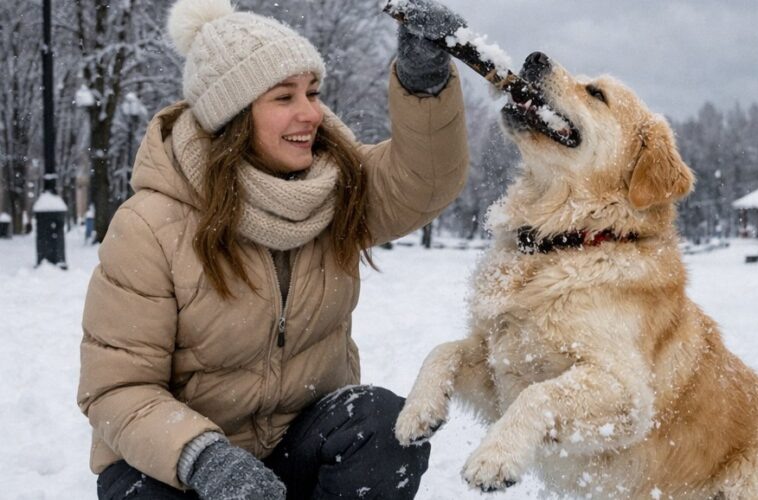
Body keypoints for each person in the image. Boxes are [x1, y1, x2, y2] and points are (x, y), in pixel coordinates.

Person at [76, 0, 469, 498]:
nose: (312, 112)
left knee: (382, 423)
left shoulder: (334, 191)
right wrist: (205, 459)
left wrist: (424, 82)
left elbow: (425, 180)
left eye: (312, 92)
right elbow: (116, 389)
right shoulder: (150, 225)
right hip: (178, 466)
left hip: (296, 444)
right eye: (284, 97)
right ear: (233, 114)